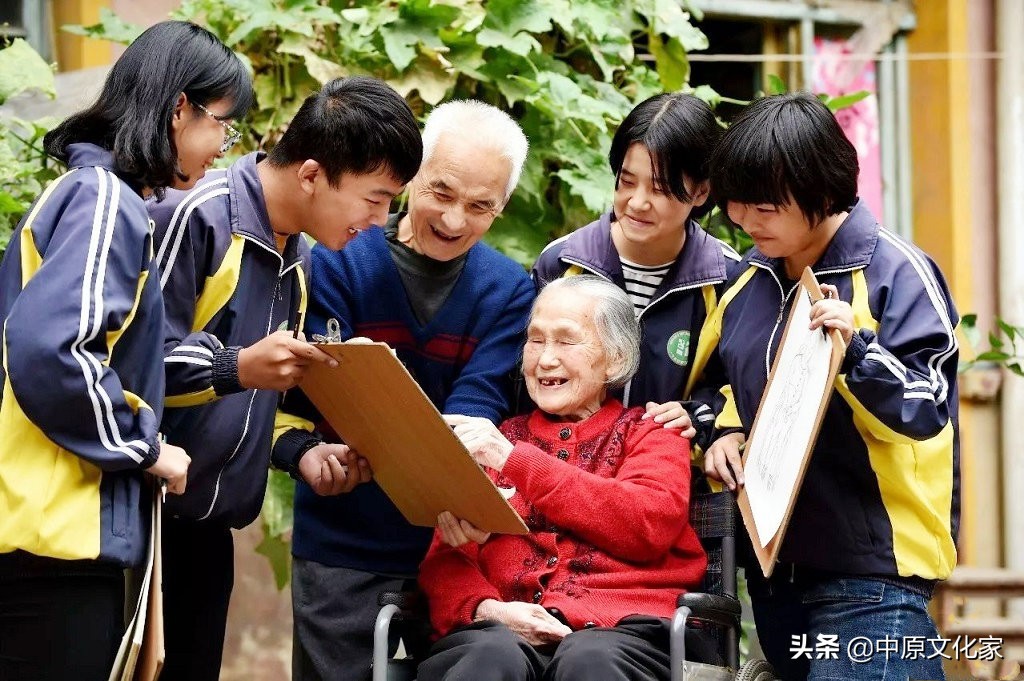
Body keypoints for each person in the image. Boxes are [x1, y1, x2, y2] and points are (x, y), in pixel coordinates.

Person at [147, 76, 422, 681]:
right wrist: (237, 365)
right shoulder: (193, 215)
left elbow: (243, 407)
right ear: (311, 174)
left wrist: (301, 451)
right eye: (373, 199)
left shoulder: (297, 254)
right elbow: (129, 369)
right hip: (141, 524)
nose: (379, 221)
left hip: (208, 528)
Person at [0, 19, 252, 680]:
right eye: (224, 124)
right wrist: (144, 444)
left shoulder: (84, 192)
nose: (223, 147)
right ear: (179, 110)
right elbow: (55, 351)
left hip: (41, 526)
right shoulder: (107, 201)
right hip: (58, 534)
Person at [274, 99, 536, 681]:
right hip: (341, 540)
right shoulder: (338, 262)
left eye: (480, 207)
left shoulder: (509, 291)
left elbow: (478, 404)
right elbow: (318, 391)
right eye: (440, 193)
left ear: (503, 206)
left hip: (454, 549)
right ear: (410, 174)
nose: (454, 221)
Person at [703, 92, 959, 681]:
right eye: (736, 204)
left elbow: (929, 405)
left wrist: (860, 352)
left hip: (875, 582)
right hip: (775, 579)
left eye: (764, 205)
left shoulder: (896, 272)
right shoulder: (750, 279)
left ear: (821, 190)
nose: (744, 220)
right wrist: (726, 430)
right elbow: (721, 382)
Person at [417, 275, 709, 681]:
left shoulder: (652, 431)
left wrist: (514, 460)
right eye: (536, 341)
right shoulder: (494, 439)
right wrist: (489, 609)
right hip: (499, 631)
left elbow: (647, 523)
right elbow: (444, 560)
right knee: (489, 656)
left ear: (616, 357)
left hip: (623, 637)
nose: (546, 359)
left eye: (566, 341)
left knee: (589, 661)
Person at [532, 92, 739, 448]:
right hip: (565, 471)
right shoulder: (563, 263)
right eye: (627, 182)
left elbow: (737, 384)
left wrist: (698, 415)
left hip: (668, 481)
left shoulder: (727, 278)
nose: (638, 202)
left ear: (701, 191)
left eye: (659, 188)